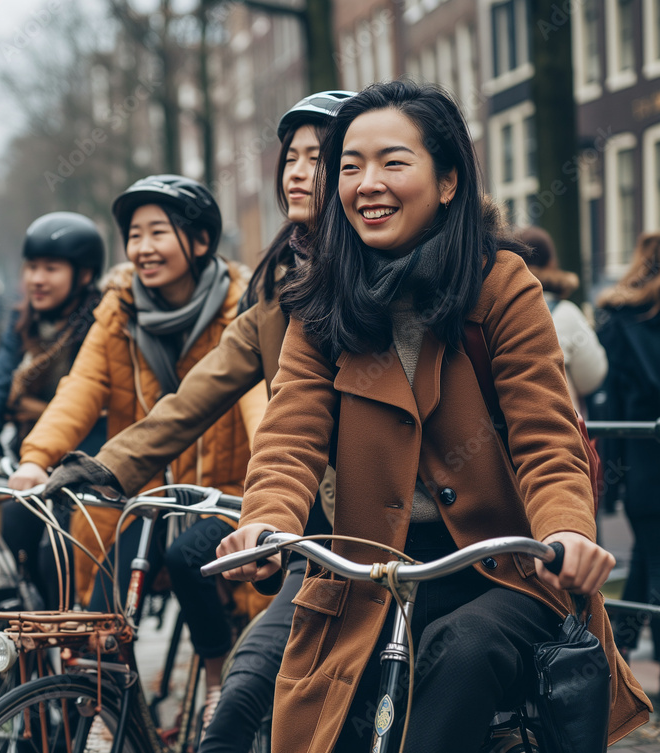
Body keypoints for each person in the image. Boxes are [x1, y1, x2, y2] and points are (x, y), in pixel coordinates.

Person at [217, 80, 650, 752]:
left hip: (500, 567)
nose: (367, 184)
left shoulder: (500, 285)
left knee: (462, 651)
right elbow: (290, 437)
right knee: (269, 697)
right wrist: (266, 519)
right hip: (369, 574)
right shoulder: (319, 305)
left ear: (447, 180)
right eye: (350, 167)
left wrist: (566, 532)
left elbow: (546, 438)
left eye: (393, 162)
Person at [42, 90, 356, 749]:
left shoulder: (375, 277)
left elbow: (268, 413)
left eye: (318, 158)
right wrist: (100, 465)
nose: (297, 172)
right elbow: (202, 391)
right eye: (290, 158)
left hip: (387, 541)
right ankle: (108, 692)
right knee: (240, 708)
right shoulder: (283, 283)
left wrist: (265, 509)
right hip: (311, 532)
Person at [8, 174, 268, 720]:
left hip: (222, 490)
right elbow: (80, 389)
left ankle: (220, 675)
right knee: (98, 578)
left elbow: (258, 403)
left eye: (158, 232)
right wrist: (35, 459)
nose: (143, 248)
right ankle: (107, 707)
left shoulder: (242, 309)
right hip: (139, 492)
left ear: (198, 242)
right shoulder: (118, 311)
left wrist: (269, 480)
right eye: (133, 234)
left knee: (190, 558)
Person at [0, 211, 106, 642]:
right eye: (32, 267)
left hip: (87, 466)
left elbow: (88, 402)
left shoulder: (100, 325)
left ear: (84, 274)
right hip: (29, 472)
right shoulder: (22, 326)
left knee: (48, 557)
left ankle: (68, 659)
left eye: (51, 269)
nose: (37, 279)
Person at [596, 231, 660, 674]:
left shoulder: (618, 321)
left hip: (642, 467)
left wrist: (612, 481)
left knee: (648, 556)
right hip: (646, 464)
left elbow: (613, 405)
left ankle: (616, 650)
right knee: (654, 560)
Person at [517, 225, 607, 417]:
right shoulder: (567, 313)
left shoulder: (494, 310)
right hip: (560, 428)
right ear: (552, 262)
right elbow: (592, 377)